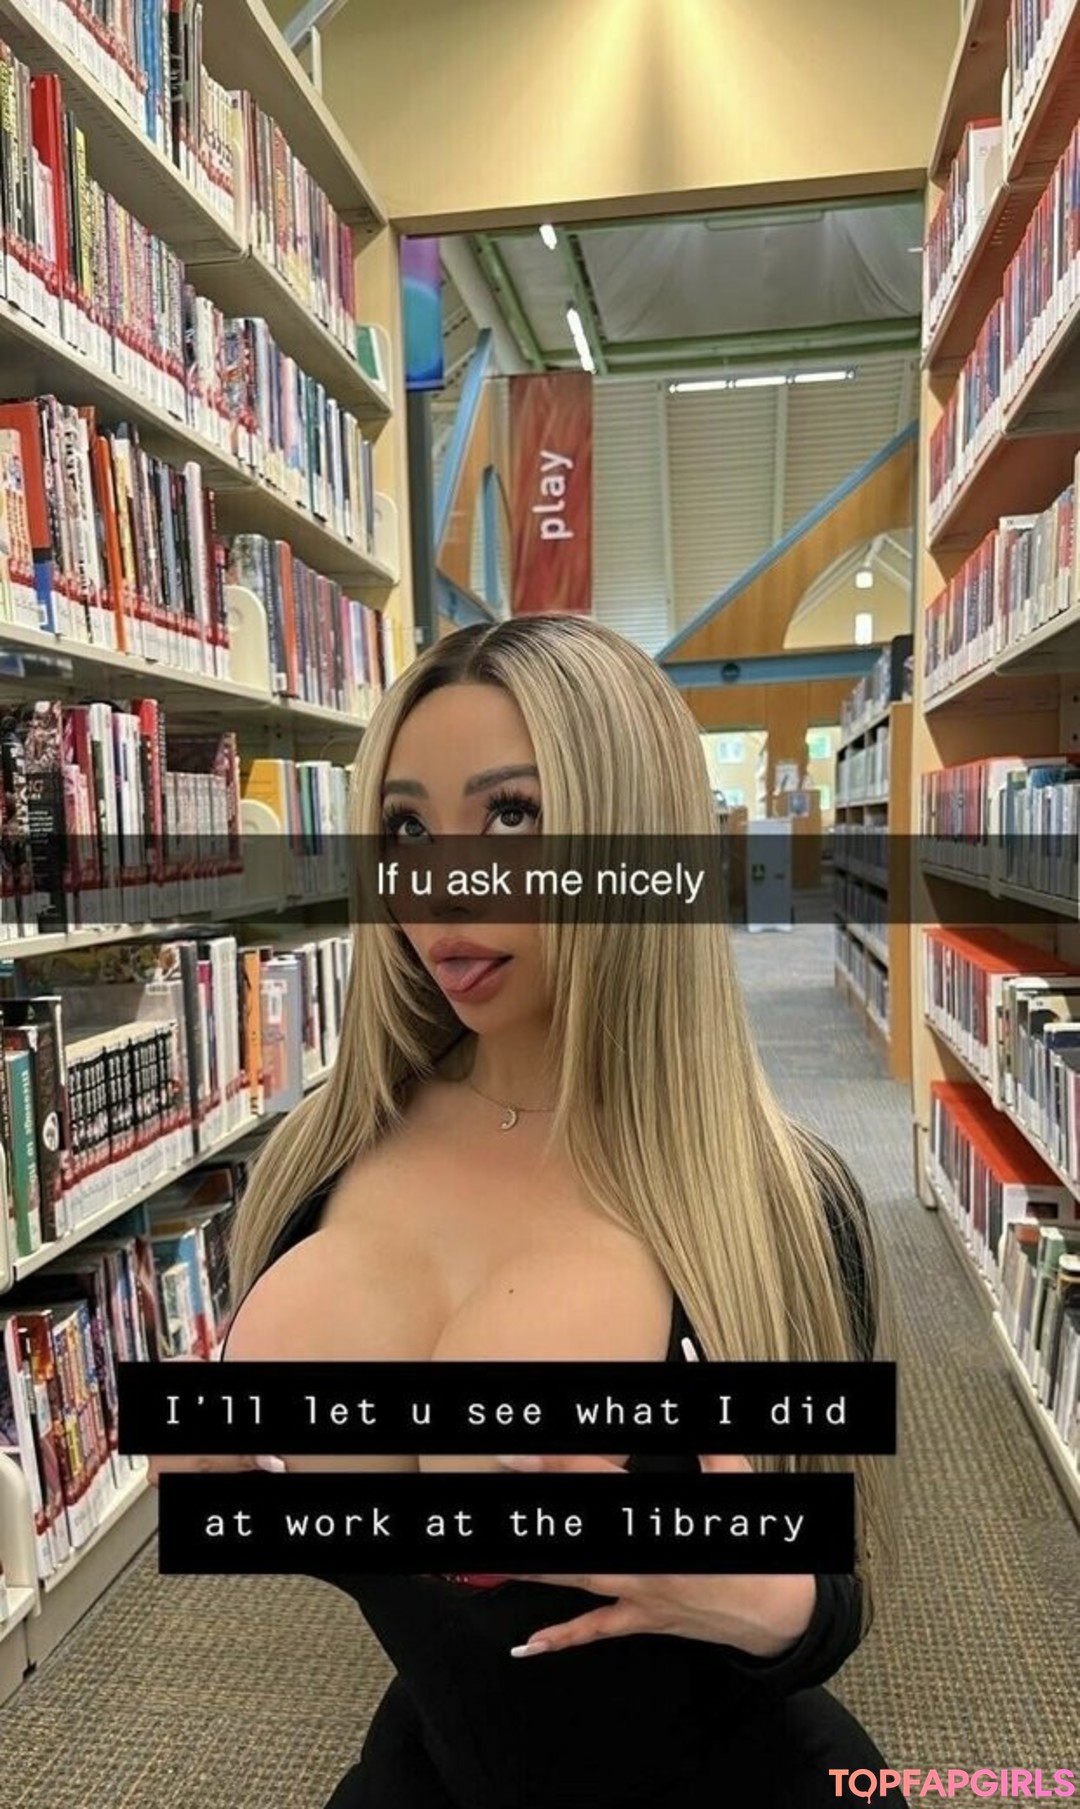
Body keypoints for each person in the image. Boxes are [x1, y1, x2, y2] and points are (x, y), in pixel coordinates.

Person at [155, 615, 895, 1808]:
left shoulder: (777, 1209)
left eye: (511, 815)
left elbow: (830, 1592)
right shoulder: (321, 1156)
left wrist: (771, 1601)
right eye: (406, 828)